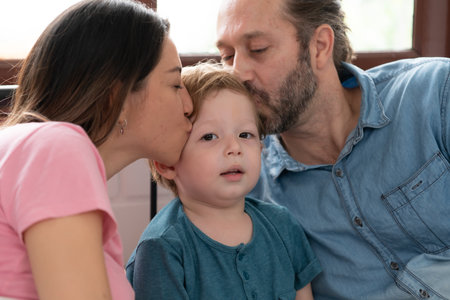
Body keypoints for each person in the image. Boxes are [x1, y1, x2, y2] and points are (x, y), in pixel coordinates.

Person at [216, 0, 450, 299]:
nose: (238, 74)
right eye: (227, 56)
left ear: (320, 46)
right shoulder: (247, 192)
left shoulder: (436, 94)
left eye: (258, 49)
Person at [0, 0, 193, 299]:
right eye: (176, 84)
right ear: (116, 97)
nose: (189, 106)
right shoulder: (57, 146)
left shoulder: (29, 149)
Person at [126, 62, 322, 300]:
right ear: (167, 163)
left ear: (261, 148)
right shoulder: (162, 248)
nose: (234, 147)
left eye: (245, 135)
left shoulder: (283, 226)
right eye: (209, 136)